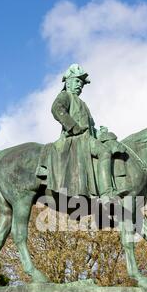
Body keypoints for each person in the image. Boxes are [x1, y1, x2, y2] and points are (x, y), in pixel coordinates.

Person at [51, 64, 128, 200]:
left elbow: (90, 127)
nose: (80, 86)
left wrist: (101, 133)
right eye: (77, 81)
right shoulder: (65, 96)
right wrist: (74, 127)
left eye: (81, 84)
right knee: (104, 151)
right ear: (68, 82)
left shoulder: (83, 104)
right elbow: (56, 109)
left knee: (110, 147)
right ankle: (106, 194)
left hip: (87, 137)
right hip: (76, 139)